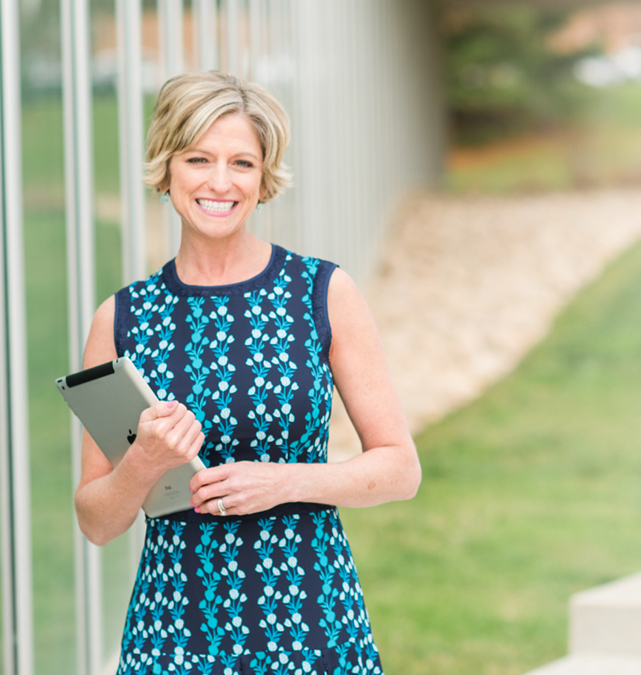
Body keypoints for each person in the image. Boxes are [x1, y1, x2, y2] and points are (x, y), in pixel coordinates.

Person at [73, 71, 420, 675]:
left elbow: (399, 468)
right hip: (173, 631)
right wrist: (144, 463)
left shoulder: (322, 291)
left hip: (312, 621)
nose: (219, 182)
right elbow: (97, 521)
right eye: (198, 159)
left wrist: (284, 482)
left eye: (241, 163)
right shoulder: (120, 319)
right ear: (167, 168)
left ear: (264, 179)